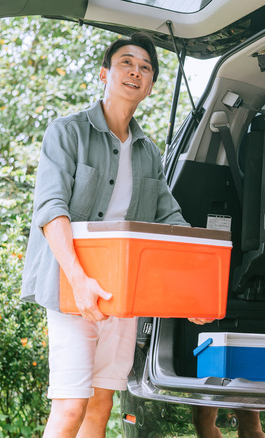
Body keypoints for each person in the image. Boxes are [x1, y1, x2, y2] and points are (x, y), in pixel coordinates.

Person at [20, 32, 188, 437]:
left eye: (146, 67)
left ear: (149, 86)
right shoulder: (68, 132)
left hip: (123, 295)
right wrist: (79, 280)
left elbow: (170, 218)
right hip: (71, 286)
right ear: (105, 73)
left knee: (101, 405)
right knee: (71, 405)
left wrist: (190, 291)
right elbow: (50, 209)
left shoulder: (148, 151)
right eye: (126, 63)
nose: (136, 71)